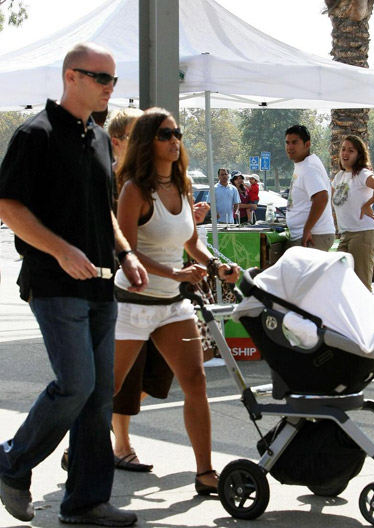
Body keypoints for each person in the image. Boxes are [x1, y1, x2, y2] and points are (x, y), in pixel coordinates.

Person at [0, 42, 148, 527]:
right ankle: (11, 462)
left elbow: (104, 210)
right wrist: (61, 249)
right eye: (100, 78)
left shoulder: (101, 139)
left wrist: (126, 253)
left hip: (102, 287)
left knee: (98, 395)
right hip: (53, 283)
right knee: (77, 384)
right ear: (71, 78)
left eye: (113, 80)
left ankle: (86, 502)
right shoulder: (34, 134)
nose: (110, 87)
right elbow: (9, 207)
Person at [113, 107, 240, 495]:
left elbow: (190, 240)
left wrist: (216, 264)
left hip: (172, 304)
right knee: (110, 386)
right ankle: (78, 446)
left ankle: (205, 473)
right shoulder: (134, 189)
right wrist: (178, 274)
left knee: (196, 381)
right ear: (147, 141)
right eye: (165, 134)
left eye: (177, 134)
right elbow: (128, 250)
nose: (174, 141)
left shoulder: (183, 185)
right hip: (132, 304)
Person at [332, 135, 374, 291]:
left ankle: (365, 315)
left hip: (363, 233)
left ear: (359, 155)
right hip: (346, 234)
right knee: (339, 280)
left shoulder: (362, 174)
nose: (345, 153)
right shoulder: (340, 176)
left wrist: (367, 204)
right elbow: (326, 198)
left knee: (361, 286)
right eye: (343, 149)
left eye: (351, 150)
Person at [285, 124, 335, 251]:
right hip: (309, 235)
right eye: (287, 142)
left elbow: (321, 197)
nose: (290, 147)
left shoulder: (309, 167)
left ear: (307, 145)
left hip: (313, 236)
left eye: (295, 142)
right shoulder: (303, 164)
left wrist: (307, 229)